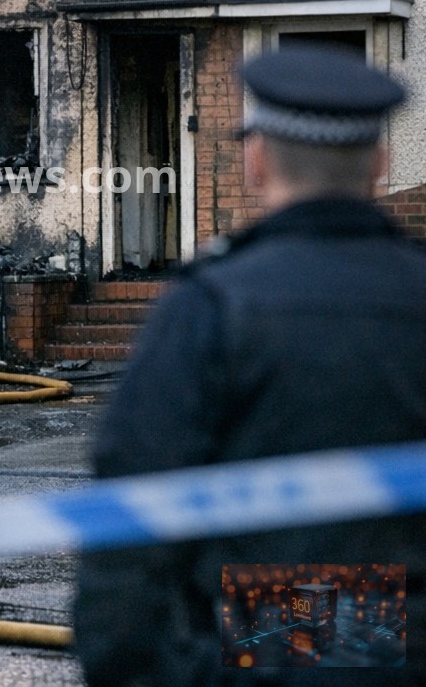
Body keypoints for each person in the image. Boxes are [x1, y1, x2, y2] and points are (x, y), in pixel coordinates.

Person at [73, 44, 425, 686]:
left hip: (256, 651)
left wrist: (142, 670)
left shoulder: (212, 303)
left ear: (257, 161)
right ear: (381, 162)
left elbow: (133, 508)